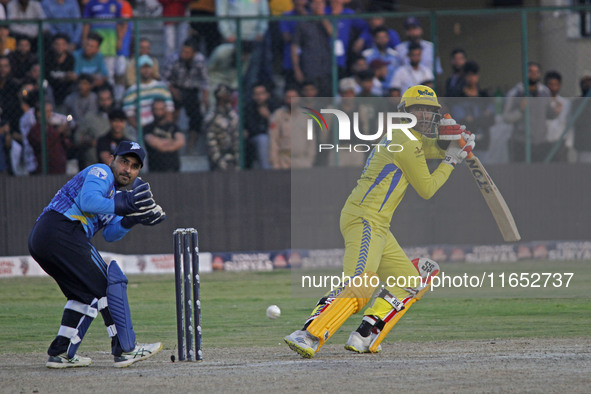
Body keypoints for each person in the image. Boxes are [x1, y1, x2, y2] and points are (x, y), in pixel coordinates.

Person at [284, 85, 475, 358]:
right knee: (360, 283)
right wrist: (452, 159)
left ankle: (364, 335)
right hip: (365, 219)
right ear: (405, 112)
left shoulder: (405, 137)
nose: (424, 115)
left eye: (430, 110)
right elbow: (427, 188)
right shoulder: (406, 140)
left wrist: (455, 142)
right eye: (418, 109)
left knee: (410, 280)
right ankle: (308, 333)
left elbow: (428, 148)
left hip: (378, 224)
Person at [28, 140, 165, 368]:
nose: (127, 169)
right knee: (109, 284)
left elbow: (111, 234)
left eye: (134, 166)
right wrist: (126, 203)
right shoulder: (100, 172)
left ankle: (60, 352)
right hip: (62, 229)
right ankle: (126, 349)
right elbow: (88, 201)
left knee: (83, 296)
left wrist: (134, 218)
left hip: (44, 239)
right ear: (112, 160)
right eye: (123, 162)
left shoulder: (112, 195)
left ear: (139, 170)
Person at [503, 62, 559, 162]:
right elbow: (506, 118)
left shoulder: (545, 92)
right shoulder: (515, 92)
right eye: (530, 71)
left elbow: (548, 115)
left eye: (536, 72)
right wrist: (520, 110)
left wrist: (556, 112)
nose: (534, 74)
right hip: (521, 142)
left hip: (540, 142)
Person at [162, 38, 208, 154]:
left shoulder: (200, 60)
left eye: (187, 52)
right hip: (175, 88)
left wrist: (205, 97)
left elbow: (205, 80)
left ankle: (191, 147)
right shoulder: (173, 59)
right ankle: (172, 143)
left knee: (196, 117)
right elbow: (163, 79)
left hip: (192, 89)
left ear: (194, 53)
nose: (184, 54)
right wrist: (172, 90)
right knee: (172, 115)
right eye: (183, 51)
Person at [292, 0, 332, 96]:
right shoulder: (303, 23)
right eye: (315, 3)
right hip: (309, 68)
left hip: (326, 67)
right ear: (310, 5)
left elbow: (333, 34)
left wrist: (322, 17)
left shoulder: (329, 20)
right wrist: (297, 69)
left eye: (320, 3)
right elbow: (294, 47)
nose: (318, 6)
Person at [122, 55, 174, 130]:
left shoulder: (162, 88)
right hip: (140, 130)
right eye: (143, 67)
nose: (146, 70)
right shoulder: (131, 91)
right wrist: (142, 130)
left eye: (148, 67)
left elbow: (169, 110)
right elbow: (129, 115)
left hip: (160, 129)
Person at [269, 87, 314, 169]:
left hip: (302, 160)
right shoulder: (278, 115)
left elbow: (312, 140)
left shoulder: (307, 116)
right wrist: (275, 162)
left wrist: (310, 160)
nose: (291, 100)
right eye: (288, 97)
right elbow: (273, 140)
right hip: (284, 161)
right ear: (285, 99)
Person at [27, 102, 72, 175]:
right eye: (47, 112)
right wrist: (58, 132)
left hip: (60, 168)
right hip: (46, 170)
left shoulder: (52, 128)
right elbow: (43, 144)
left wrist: (65, 135)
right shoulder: (34, 130)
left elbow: (67, 145)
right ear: (39, 113)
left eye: (51, 111)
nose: (50, 114)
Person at [76, 87, 115, 168]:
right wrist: (88, 141)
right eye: (102, 100)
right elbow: (77, 137)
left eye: (107, 99)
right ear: (97, 101)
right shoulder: (89, 117)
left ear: (112, 100)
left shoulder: (117, 118)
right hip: (93, 163)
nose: (105, 103)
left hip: (113, 162)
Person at [143, 98, 185, 172]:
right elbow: (157, 145)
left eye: (161, 109)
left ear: (165, 110)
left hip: (174, 168)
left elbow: (181, 142)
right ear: (152, 110)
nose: (159, 112)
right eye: (156, 109)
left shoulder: (174, 126)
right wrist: (172, 141)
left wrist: (162, 143)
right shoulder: (147, 128)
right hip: (155, 169)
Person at [204, 83, 239, 171]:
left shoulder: (231, 112)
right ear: (221, 95)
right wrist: (219, 160)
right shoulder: (212, 115)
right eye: (228, 93)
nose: (230, 95)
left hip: (234, 155)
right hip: (220, 157)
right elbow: (211, 141)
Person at [244, 83, 276, 169]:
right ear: (253, 96)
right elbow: (251, 129)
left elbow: (279, 127)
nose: (259, 97)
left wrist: (268, 117)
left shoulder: (274, 107)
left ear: (267, 94)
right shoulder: (249, 108)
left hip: (275, 137)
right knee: (263, 139)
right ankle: (267, 171)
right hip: (256, 139)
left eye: (262, 93)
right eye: (257, 94)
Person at [544, 70, 571, 162]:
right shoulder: (541, 103)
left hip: (560, 143)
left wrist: (568, 144)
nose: (553, 87)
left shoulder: (566, 104)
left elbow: (569, 124)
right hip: (544, 143)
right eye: (550, 84)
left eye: (556, 84)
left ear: (560, 85)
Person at [46, 33, 77, 109]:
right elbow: (46, 77)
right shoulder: (47, 58)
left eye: (63, 44)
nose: (60, 47)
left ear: (67, 46)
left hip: (66, 87)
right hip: (51, 86)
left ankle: (68, 113)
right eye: (57, 44)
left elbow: (71, 76)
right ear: (52, 45)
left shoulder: (71, 59)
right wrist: (63, 78)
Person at [573, 72, 591, 163]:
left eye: (589, 82)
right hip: (584, 146)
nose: (587, 85)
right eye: (585, 82)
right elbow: (578, 121)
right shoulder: (577, 102)